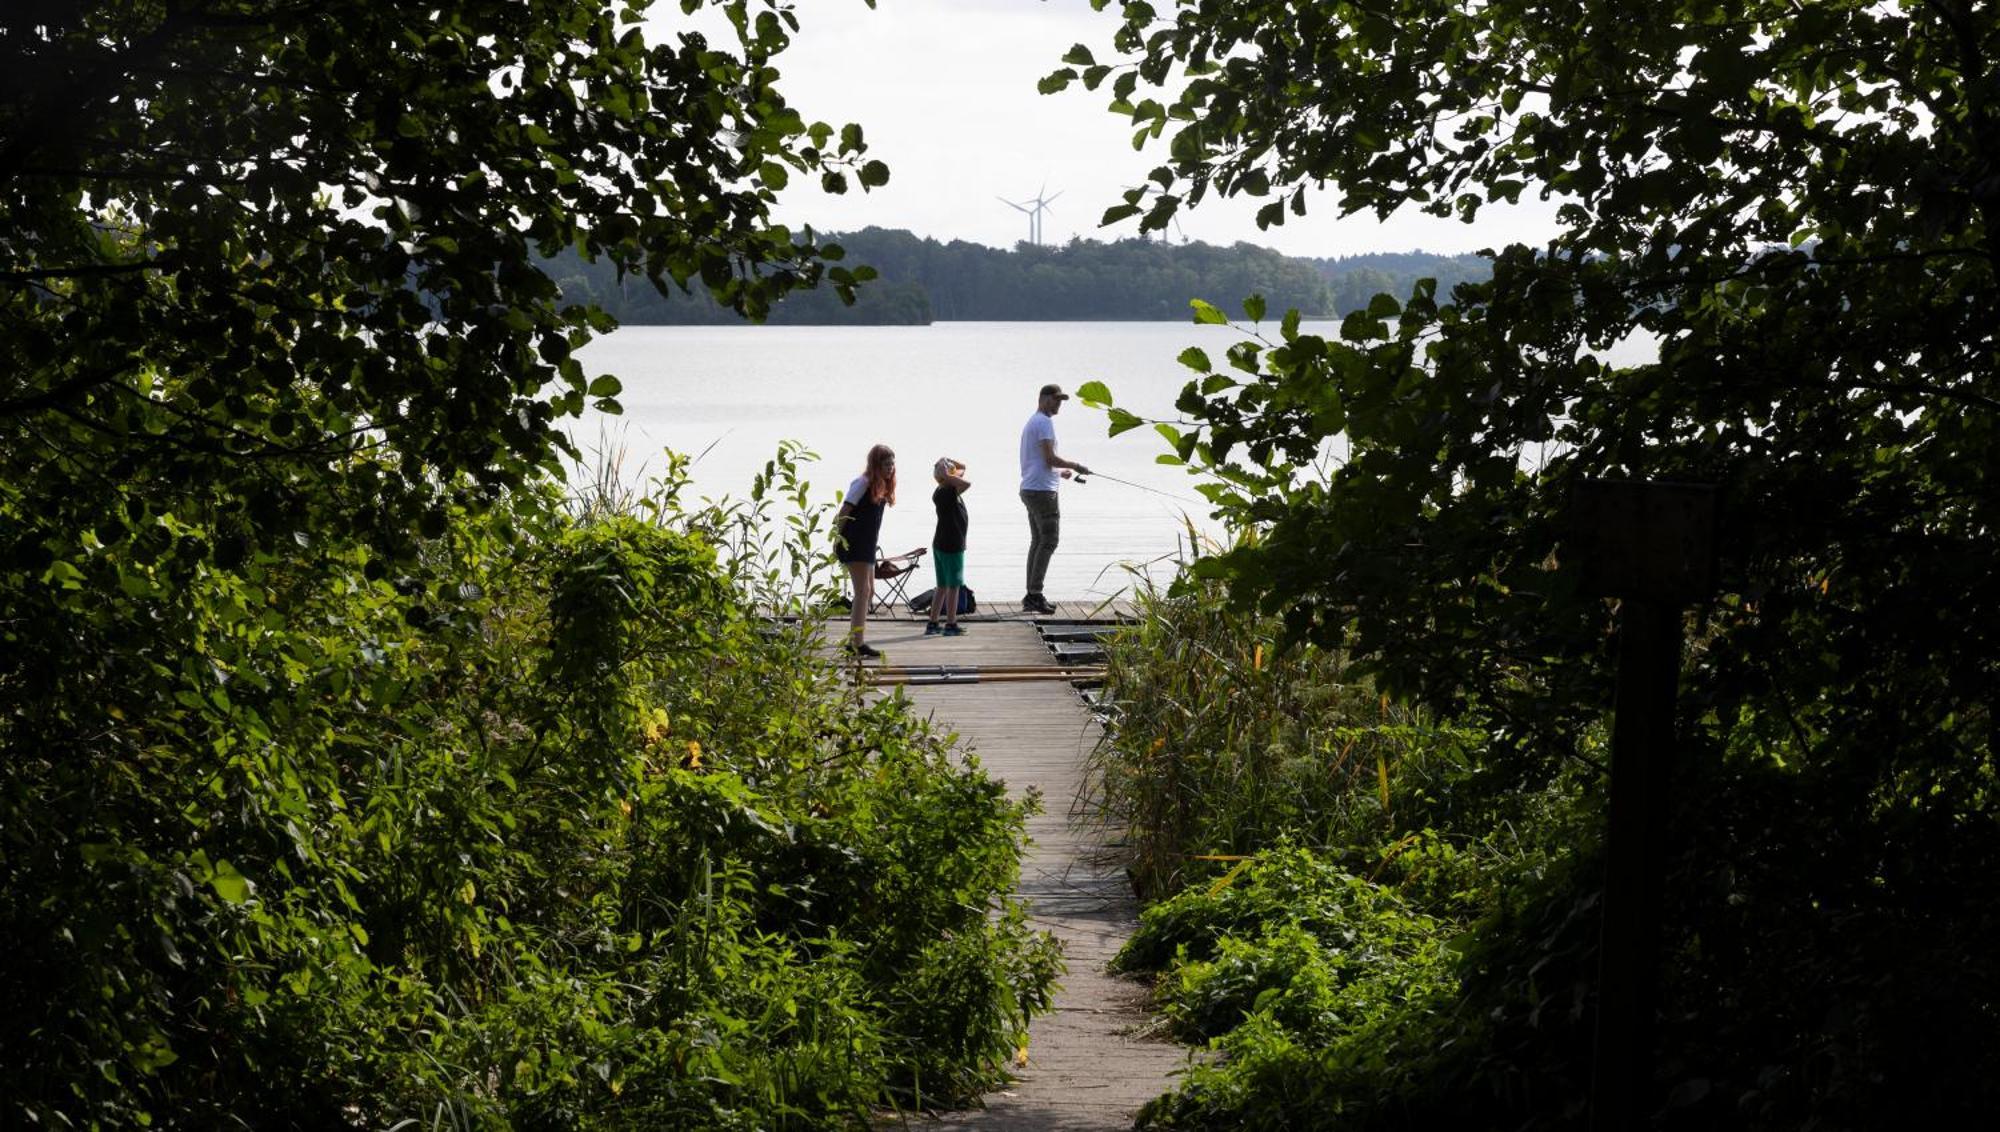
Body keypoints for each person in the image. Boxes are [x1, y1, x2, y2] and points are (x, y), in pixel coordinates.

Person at [1018, 383, 1089, 615]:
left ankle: (1031, 595)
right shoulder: (1044, 422)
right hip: (1042, 493)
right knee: (1049, 541)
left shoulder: (1033, 422)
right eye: (1055, 399)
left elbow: (1041, 462)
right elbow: (1050, 458)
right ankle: (1035, 595)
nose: (1058, 404)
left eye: (1061, 400)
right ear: (1043, 399)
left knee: (1037, 541)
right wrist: (1076, 465)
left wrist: (1061, 473)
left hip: (1031, 488)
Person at [833, 444, 896, 658]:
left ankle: (856, 640)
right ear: (876, 464)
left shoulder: (882, 486)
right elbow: (843, 513)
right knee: (862, 592)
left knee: (868, 592)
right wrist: (837, 540)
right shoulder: (863, 483)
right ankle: (856, 644)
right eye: (886, 464)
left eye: (892, 464)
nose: (890, 468)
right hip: (853, 543)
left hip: (867, 545)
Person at [926, 457, 971, 637]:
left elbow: (963, 468)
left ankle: (933, 623)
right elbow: (967, 482)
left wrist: (948, 462)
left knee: (942, 585)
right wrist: (947, 472)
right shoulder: (947, 492)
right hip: (951, 545)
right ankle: (951, 624)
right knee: (953, 586)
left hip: (941, 542)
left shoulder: (943, 488)